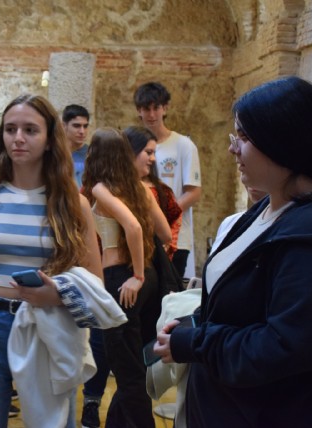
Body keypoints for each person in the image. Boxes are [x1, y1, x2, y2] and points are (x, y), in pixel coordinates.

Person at [154, 76, 312, 427]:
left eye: (243, 138)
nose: (233, 149)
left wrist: (197, 343)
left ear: (283, 145)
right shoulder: (263, 212)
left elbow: (284, 348)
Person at [0, 94, 103, 428]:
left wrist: (57, 295)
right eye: (11, 129)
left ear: (48, 140)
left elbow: (95, 282)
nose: (18, 138)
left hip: (46, 326)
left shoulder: (72, 203)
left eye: (30, 130)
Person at [82, 127, 171, 428]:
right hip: (148, 280)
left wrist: (136, 275)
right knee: (135, 371)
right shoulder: (139, 187)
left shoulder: (100, 189)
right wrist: (142, 273)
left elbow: (132, 227)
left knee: (128, 375)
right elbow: (164, 232)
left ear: (97, 155)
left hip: (124, 282)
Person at [134, 82, 202, 279]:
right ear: (139, 111)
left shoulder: (184, 145)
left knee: (170, 296)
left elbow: (193, 192)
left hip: (175, 238)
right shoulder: (133, 146)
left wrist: (163, 216)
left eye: (156, 108)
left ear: (165, 108)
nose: (152, 114)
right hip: (143, 236)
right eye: (146, 109)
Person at [124, 125, 182, 259]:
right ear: (131, 152)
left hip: (151, 259)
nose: (153, 159)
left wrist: (167, 247)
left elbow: (172, 221)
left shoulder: (160, 189)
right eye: (148, 152)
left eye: (154, 153)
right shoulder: (108, 188)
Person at [62, 104, 90, 188]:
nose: (82, 131)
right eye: (76, 126)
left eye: (85, 126)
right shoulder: (54, 153)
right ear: (64, 125)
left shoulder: (93, 154)